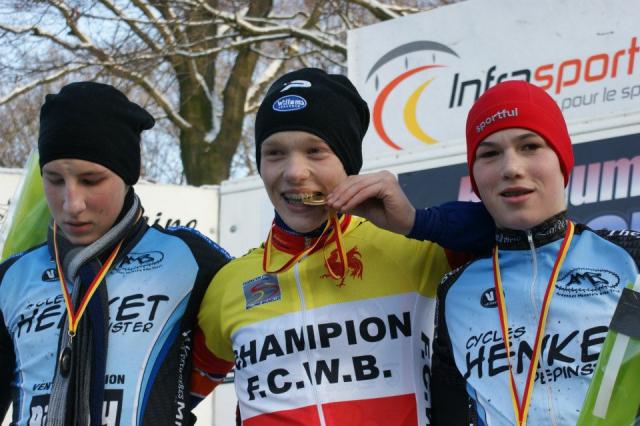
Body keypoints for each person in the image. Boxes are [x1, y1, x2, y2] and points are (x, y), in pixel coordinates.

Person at [195, 68, 494, 425]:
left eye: (315, 151)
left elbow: (515, 226)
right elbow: (168, 394)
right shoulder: (231, 282)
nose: (294, 172)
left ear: (348, 162)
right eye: (274, 153)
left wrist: (417, 222)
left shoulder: (413, 249)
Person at [0, 82, 231, 425]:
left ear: (127, 175)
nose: (71, 203)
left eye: (91, 180)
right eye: (54, 179)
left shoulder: (189, 258)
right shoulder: (12, 276)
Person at [430, 80, 640, 425]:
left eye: (529, 146)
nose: (511, 167)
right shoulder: (456, 290)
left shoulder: (629, 257)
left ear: (562, 160)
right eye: (490, 153)